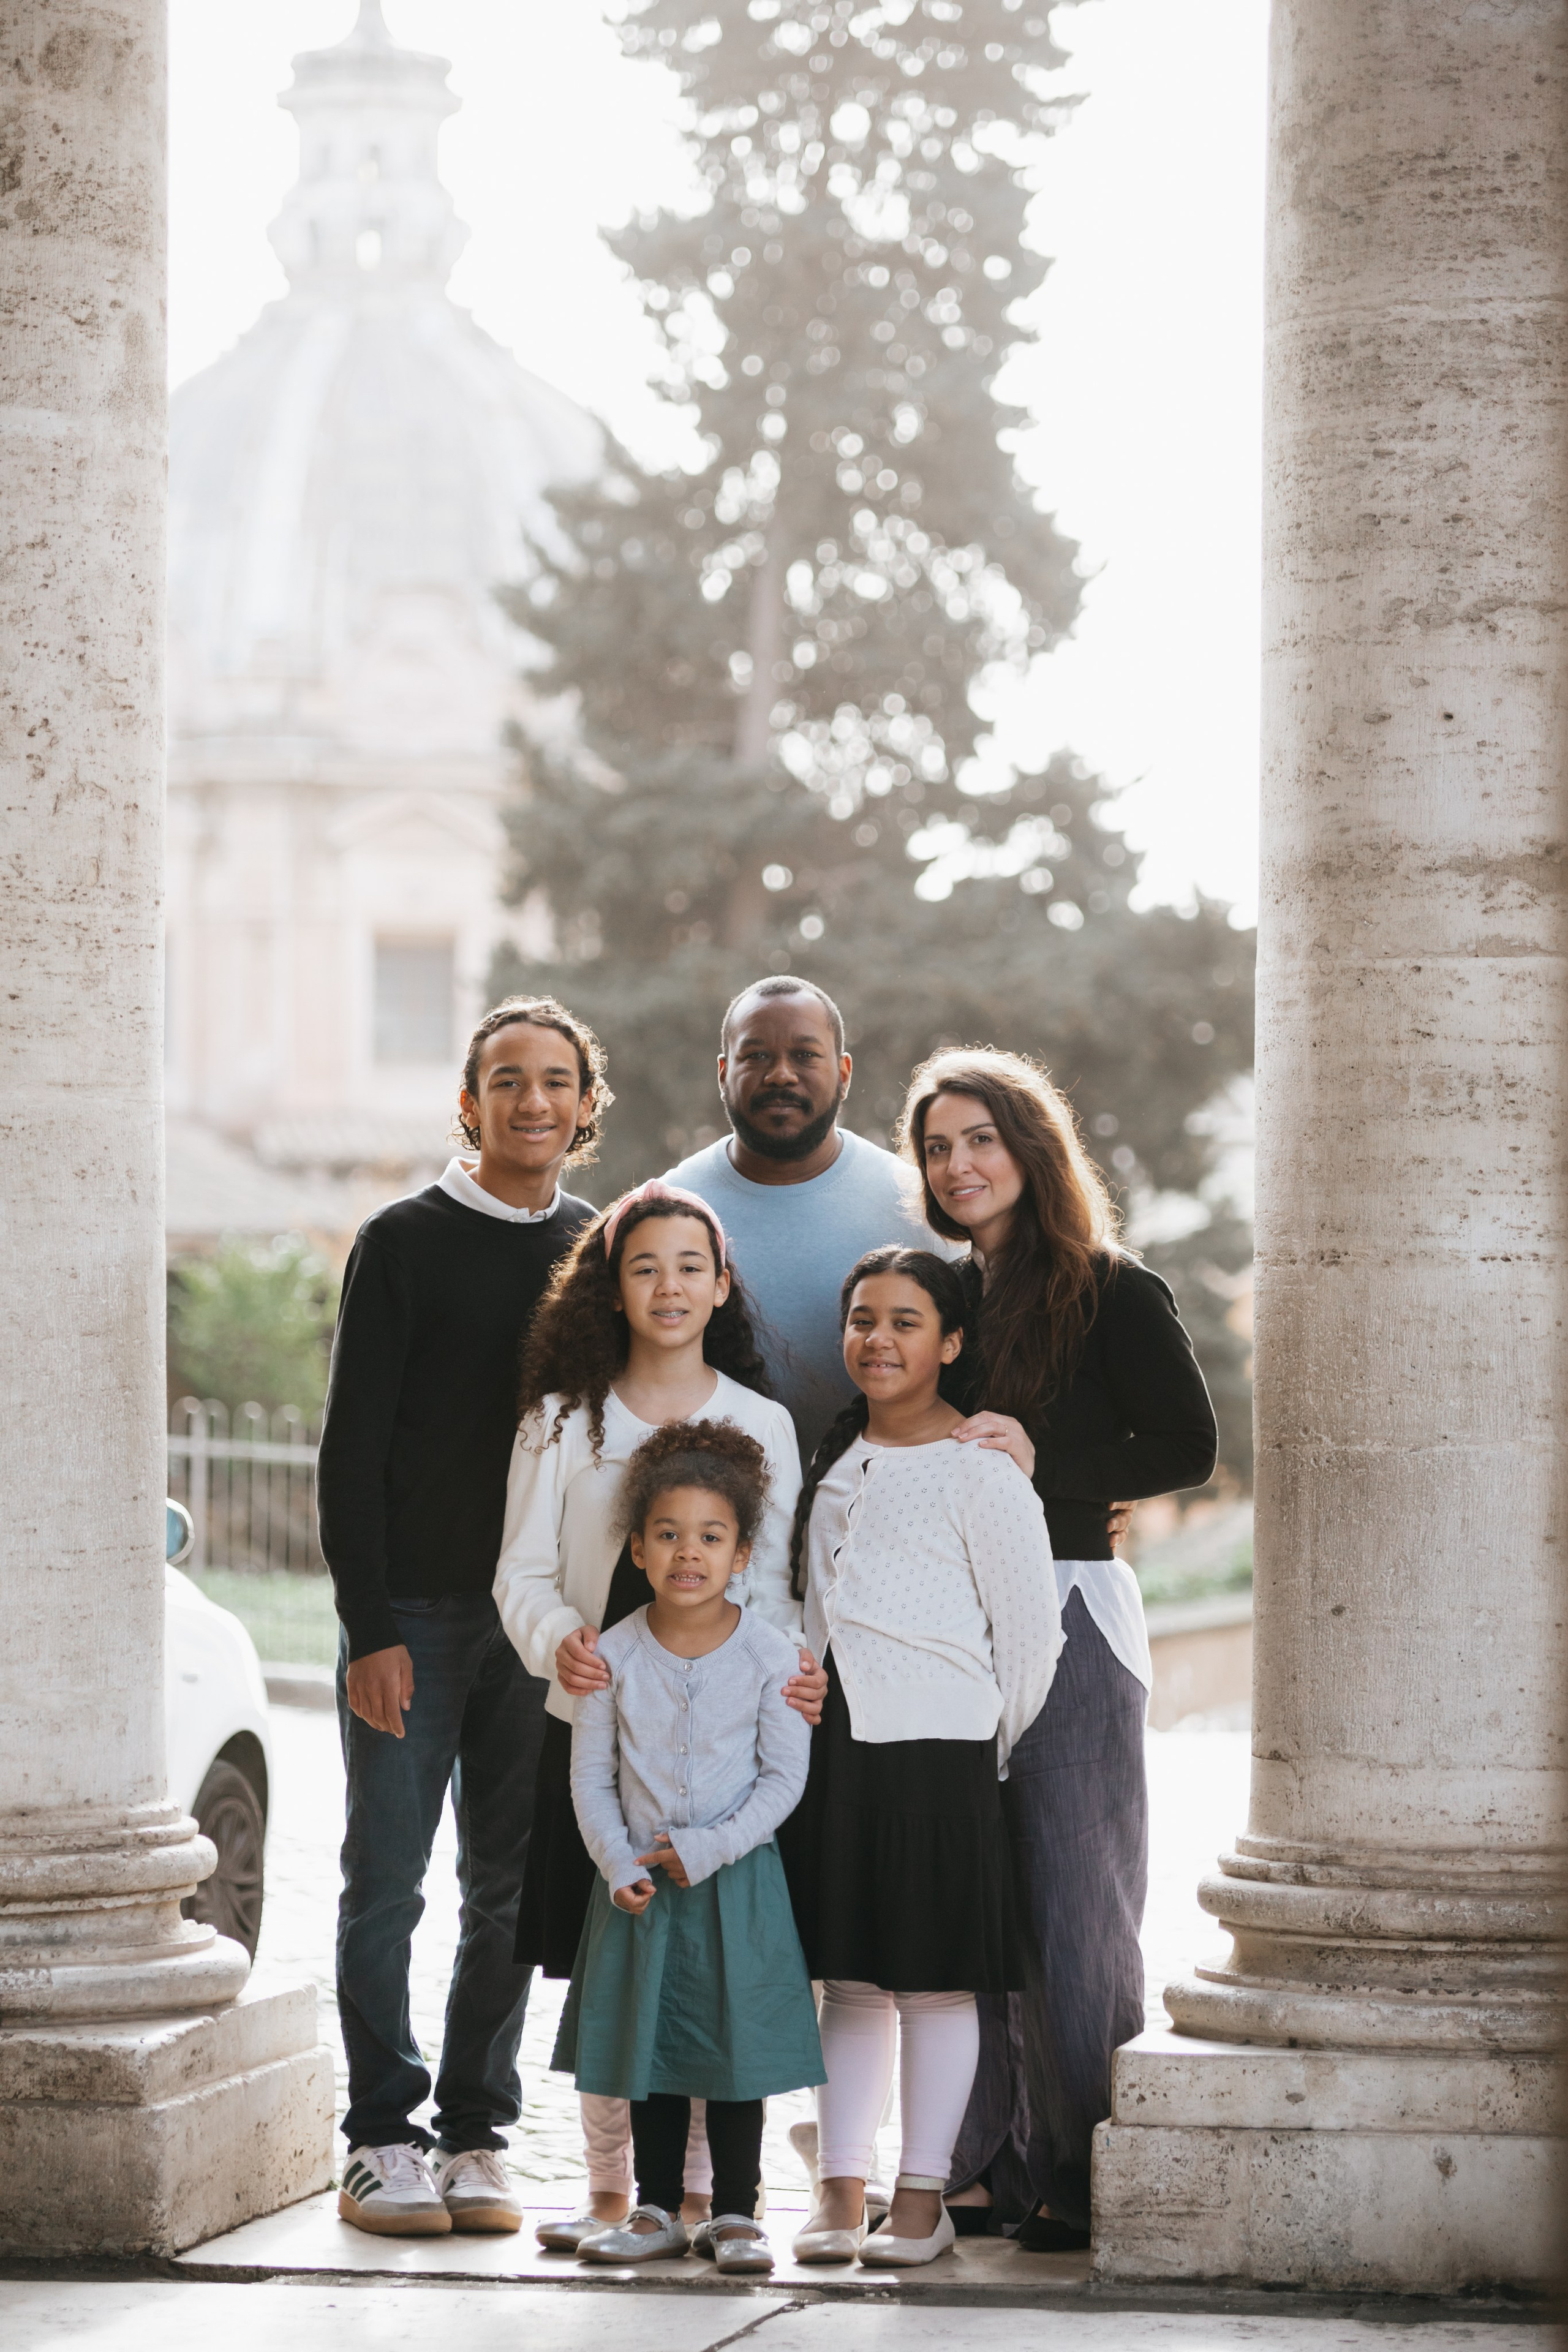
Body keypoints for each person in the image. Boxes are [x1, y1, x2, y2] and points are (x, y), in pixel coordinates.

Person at [899, 1046, 1219, 2251]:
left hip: (1074, 1609)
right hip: (953, 1626)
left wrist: (1046, 1466)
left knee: (1074, 1903)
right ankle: (982, 2165)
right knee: (969, 1899)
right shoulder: (940, 1296)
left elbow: (1185, 1446)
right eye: (937, 1147)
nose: (958, 1164)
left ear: (1030, 1149)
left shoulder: (1112, 1289)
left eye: (979, 1139)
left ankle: (1082, 2172)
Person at [318, 995, 607, 2238]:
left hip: (537, 1620)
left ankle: (479, 2134)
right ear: (469, 1101)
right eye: (507, 1080)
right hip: (416, 1618)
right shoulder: (401, 1242)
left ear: (585, 1106)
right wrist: (369, 1623)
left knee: (509, 1888)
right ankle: (380, 2135)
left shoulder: (600, 1248)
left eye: (556, 1081)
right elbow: (350, 1449)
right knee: (387, 1881)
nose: (532, 1101)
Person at [492, 1178, 827, 2248]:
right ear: (612, 1287)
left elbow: (777, 1588)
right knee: (608, 1963)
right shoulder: (561, 1420)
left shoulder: (761, 1421)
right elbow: (521, 1571)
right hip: (598, 1719)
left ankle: (710, 2200)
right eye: (644, 1267)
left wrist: (795, 1677)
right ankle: (613, 2197)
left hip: (724, 1749)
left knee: (715, 1968)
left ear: (722, 1285)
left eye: (690, 1266)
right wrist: (563, 1639)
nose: (668, 1286)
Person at [779, 1247, 1063, 2270]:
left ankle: (921, 2201)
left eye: (906, 1322)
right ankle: (838, 2191)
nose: (879, 1340)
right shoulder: (834, 1464)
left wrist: (976, 1743)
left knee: (937, 1986)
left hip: (943, 1755)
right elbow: (809, 1614)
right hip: (837, 1754)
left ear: (950, 1343)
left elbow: (1031, 1643)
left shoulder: (982, 1470)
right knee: (849, 1982)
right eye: (863, 1319)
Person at [556, 1421, 826, 2274]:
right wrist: (617, 1861)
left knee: (735, 2050)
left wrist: (707, 1848)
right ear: (638, 1549)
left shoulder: (773, 1656)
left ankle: (738, 2212)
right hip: (639, 1888)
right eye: (668, 1535)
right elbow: (590, 1777)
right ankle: (657, 2209)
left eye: (711, 1538)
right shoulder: (613, 1654)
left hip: (736, 1885)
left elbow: (783, 1781)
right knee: (653, 2046)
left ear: (741, 1554)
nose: (688, 1554)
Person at [662, 974, 960, 1462]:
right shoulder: (669, 1208)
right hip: (706, 1501)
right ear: (723, 1072)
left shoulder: (918, 1203)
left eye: (805, 1055)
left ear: (844, 1072)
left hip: (887, 1498)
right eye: (756, 1055)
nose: (781, 1075)